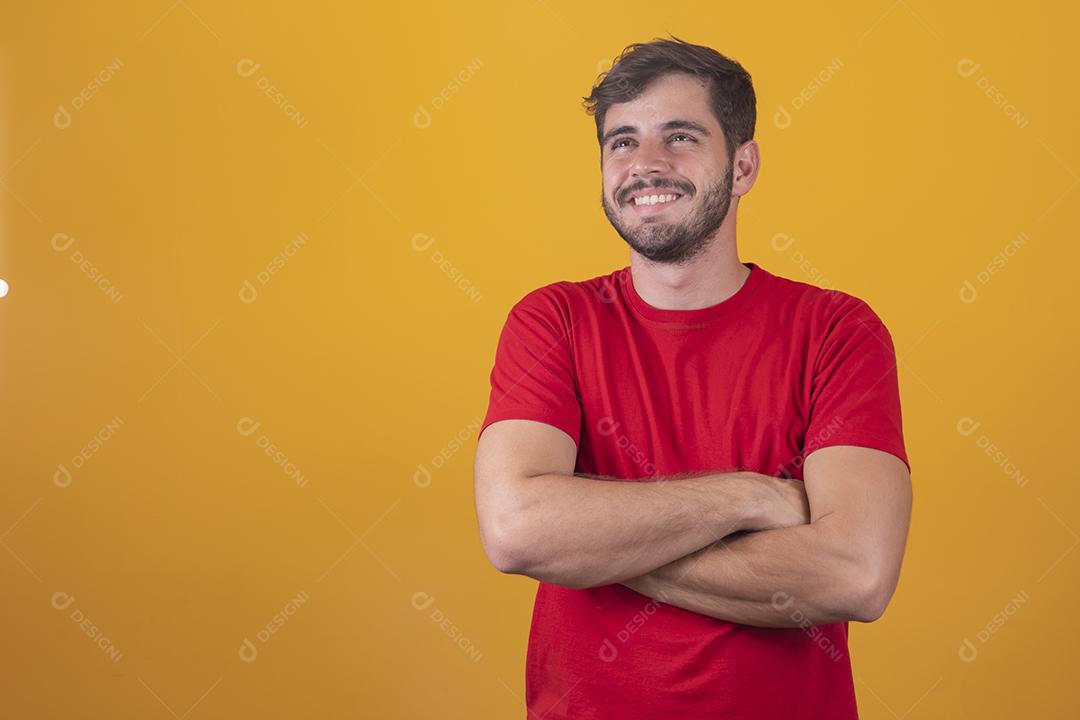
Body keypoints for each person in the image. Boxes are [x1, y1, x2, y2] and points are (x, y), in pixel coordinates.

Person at [473, 35, 912, 719]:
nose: (646, 165)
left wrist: (592, 545)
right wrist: (747, 499)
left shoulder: (837, 332)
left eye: (679, 137)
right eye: (621, 142)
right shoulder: (553, 320)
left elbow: (855, 574)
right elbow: (516, 530)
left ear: (742, 166)